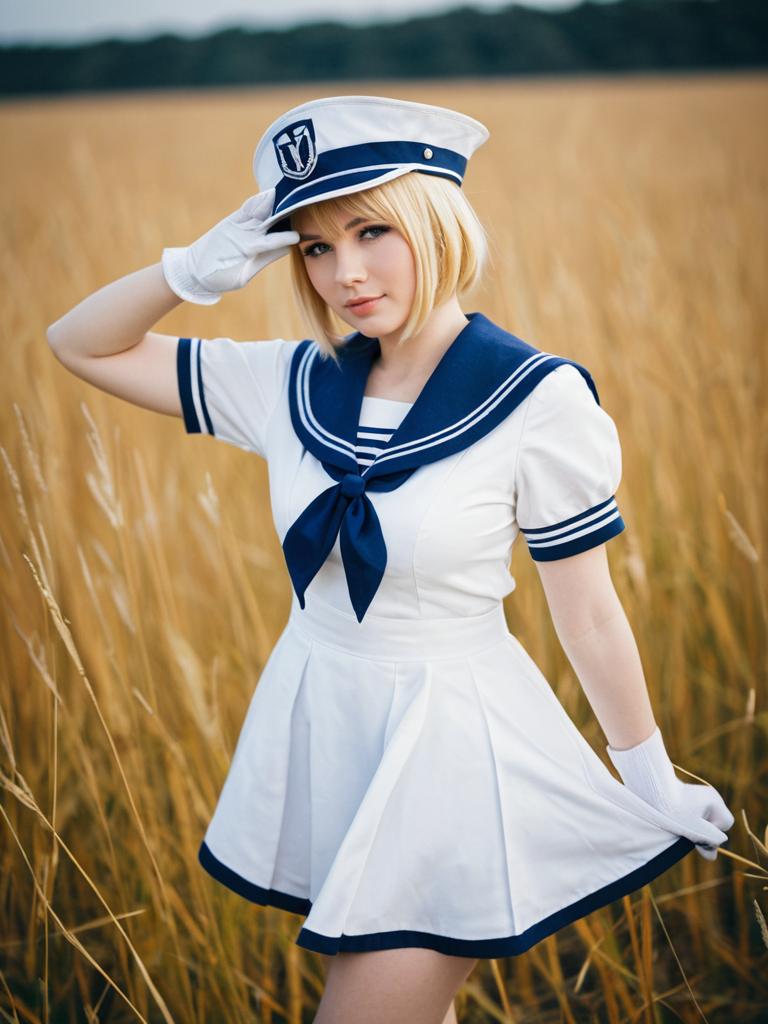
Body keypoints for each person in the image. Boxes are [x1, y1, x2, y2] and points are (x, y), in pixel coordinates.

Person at [46, 94, 734, 1024]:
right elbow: (79, 343)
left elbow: (591, 610)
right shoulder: (289, 381)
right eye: (316, 246)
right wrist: (193, 268)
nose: (345, 274)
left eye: (372, 230)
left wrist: (648, 777)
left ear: (436, 219)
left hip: (450, 746)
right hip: (330, 724)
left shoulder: (538, 399)